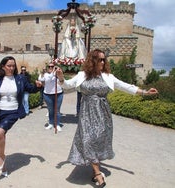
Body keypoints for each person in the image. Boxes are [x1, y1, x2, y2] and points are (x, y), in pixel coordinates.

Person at [56, 49, 158, 187]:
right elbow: (67, 85)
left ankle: (94, 170)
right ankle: (98, 174)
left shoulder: (108, 76)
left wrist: (144, 92)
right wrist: (61, 77)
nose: (103, 62)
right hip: (86, 113)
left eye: (104, 59)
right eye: (100, 59)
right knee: (88, 140)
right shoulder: (82, 75)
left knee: (98, 140)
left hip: (103, 113)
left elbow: (125, 86)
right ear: (92, 61)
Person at [0, 56, 42, 176]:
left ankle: (2, 158)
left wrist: (38, 86)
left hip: (12, 112)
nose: (11, 68)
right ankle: (3, 167)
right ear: (3, 66)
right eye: (9, 65)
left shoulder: (20, 78)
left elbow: (31, 89)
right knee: (0, 137)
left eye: (13, 65)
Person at [38, 62, 64, 132]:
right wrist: (53, 72)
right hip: (48, 95)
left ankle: (57, 124)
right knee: (50, 110)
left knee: (57, 110)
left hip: (58, 94)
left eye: (52, 67)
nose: (50, 68)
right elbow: (47, 80)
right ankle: (51, 123)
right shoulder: (46, 75)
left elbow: (62, 81)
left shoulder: (57, 74)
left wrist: (59, 73)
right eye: (49, 66)